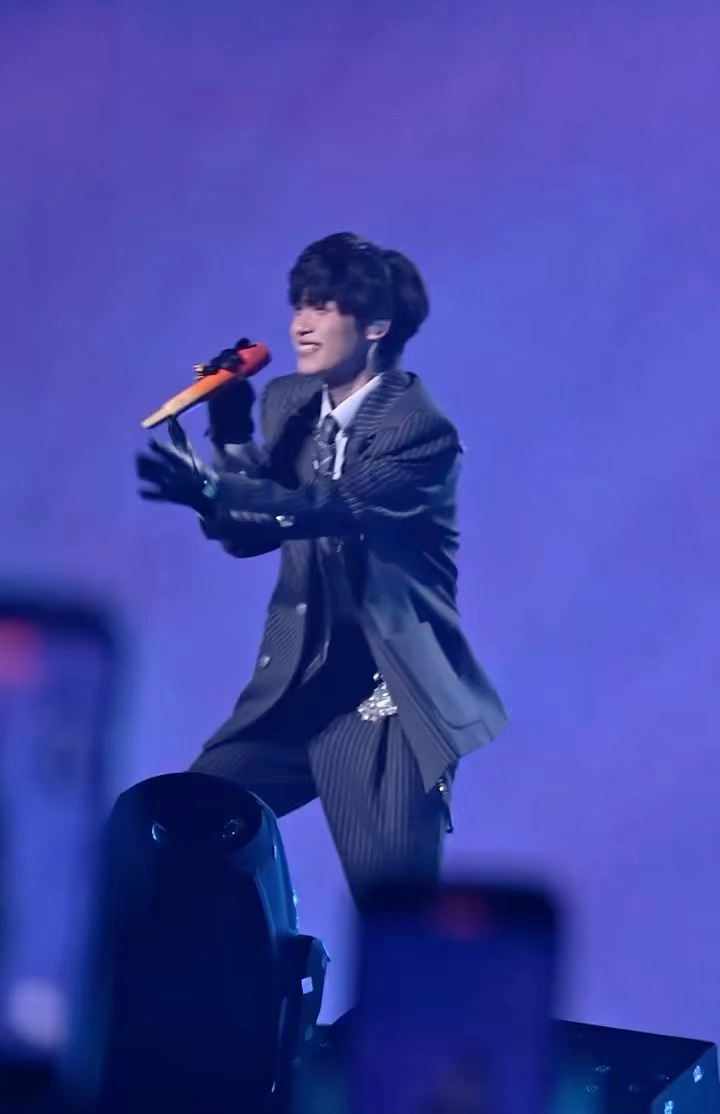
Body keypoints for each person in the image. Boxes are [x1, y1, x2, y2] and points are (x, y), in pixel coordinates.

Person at [136, 232, 507, 905]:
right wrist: (230, 433)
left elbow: (332, 506)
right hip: (296, 689)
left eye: (324, 307)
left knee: (396, 913)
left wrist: (220, 488)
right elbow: (249, 533)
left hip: (386, 701)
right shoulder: (289, 403)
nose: (301, 324)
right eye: (299, 305)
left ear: (376, 326)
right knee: (183, 826)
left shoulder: (419, 429)